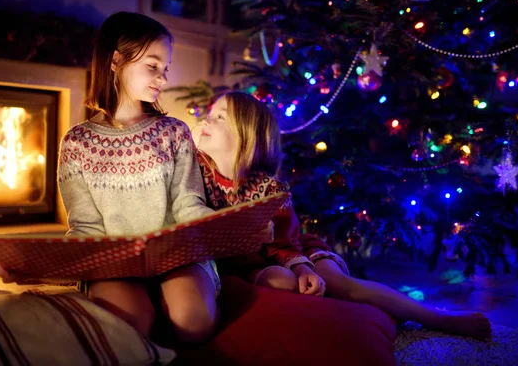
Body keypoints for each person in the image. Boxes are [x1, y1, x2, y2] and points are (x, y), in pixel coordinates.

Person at [195, 90, 491, 341]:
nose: (207, 119)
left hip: (293, 251)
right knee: (280, 282)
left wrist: (303, 269)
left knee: (337, 284)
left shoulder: (269, 191)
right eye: (210, 112)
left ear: (247, 136)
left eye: (220, 117)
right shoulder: (194, 174)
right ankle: (360, 311)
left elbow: (285, 245)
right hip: (247, 265)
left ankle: (435, 318)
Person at [0, 12, 220, 343]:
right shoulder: (77, 143)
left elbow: (189, 204)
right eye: (152, 66)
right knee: (129, 329)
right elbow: (86, 227)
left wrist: (228, 228)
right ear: (116, 60)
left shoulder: (174, 133)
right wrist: (39, 265)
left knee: (194, 321)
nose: (162, 78)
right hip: (112, 265)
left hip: (178, 257)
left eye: (166, 69)